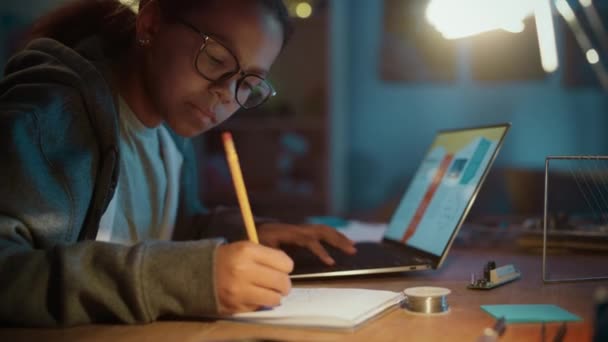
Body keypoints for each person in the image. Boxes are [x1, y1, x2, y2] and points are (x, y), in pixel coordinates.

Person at [0, 0, 356, 327]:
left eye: (248, 83)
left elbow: (167, 227)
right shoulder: (47, 120)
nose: (225, 93)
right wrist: (191, 278)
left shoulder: (171, 133)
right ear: (151, 23)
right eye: (216, 58)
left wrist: (246, 234)